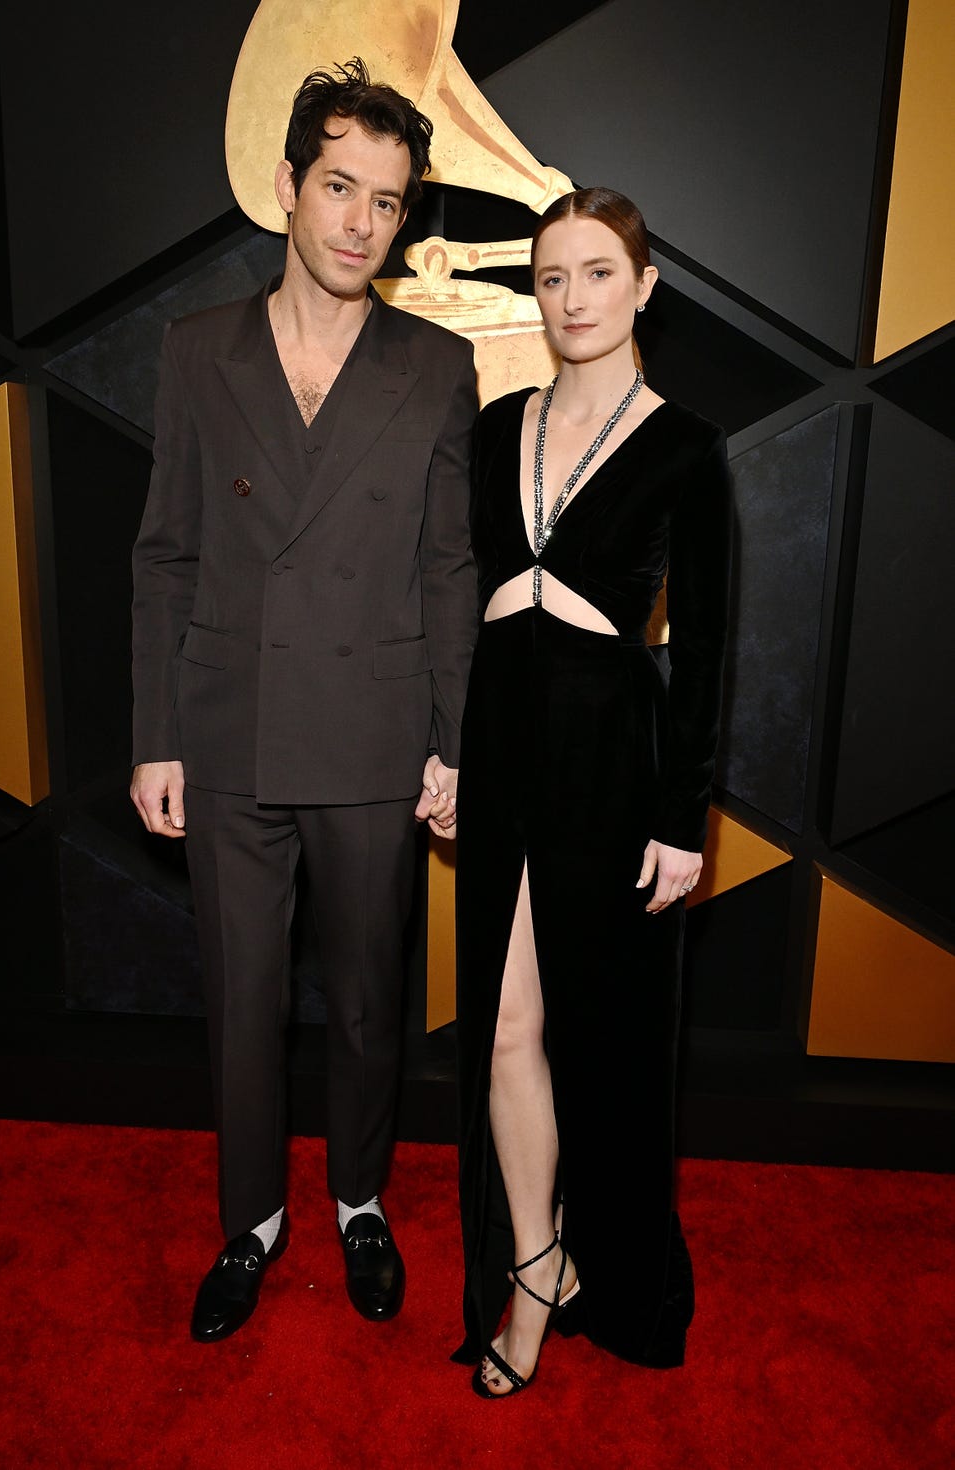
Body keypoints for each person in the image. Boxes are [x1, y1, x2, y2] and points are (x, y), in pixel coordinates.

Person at [130, 58, 476, 1342]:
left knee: (372, 997)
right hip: (224, 731)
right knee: (241, 997)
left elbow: (448, 564)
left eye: (385, 202)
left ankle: (360, 1204)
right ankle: (253, 1221)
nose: (358, 223)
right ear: (287, 187)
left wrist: (452, 736)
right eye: (339, 187)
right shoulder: (194, 350)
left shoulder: (436, 367)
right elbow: (163, 551)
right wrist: (155, 737)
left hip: (376, 733)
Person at [452, 187, 732, 1396]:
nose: (570, 298)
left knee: (598, 1038)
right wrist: (445, 752)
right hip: (499, 735)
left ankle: (604, 1269)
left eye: (595, 274)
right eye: (551, 277)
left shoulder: (682, 445)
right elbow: (460, 604)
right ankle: (532, 1264)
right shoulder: (495, 424)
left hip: (611, 751)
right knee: (505, 1027)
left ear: (643, 285)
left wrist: (684, 817)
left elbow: (710, 646)